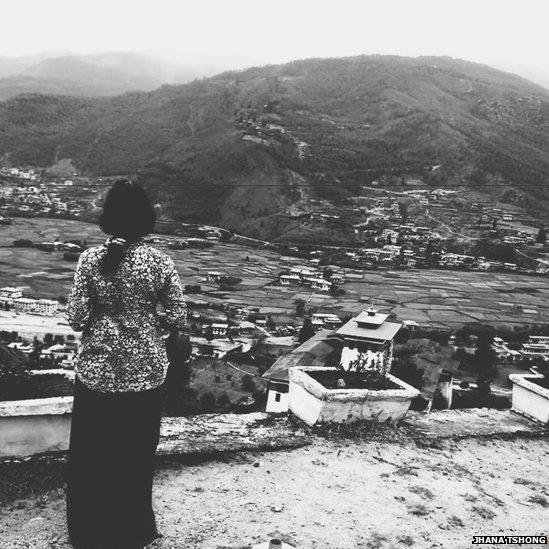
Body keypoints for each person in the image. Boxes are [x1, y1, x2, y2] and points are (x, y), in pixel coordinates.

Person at [66, 179, 186, 548]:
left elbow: (77, 317)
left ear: (109, 218)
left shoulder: (90, 260)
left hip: (98, 372)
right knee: (134, 454)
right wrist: (148, 321)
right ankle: (133, 530)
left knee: (91, 455)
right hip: (145, 373)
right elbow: (177, 315)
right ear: (145, 219)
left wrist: (104, 315)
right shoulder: (160, 262)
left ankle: (89, 531)